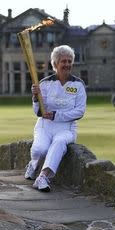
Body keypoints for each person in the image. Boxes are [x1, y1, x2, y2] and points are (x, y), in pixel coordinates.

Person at [24, 45, 87, 192]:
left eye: (69, 61)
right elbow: (39, 112)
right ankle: (33, 164)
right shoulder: (45, 83)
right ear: (55, 64)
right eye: (63, 61)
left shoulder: (78, 85)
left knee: (59, 143)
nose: (67, 64)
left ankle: (43, 177)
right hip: (45, 125)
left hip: (66, 127)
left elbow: (80, 112)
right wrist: (35, 97)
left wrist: (57, 115)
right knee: (40, 150)